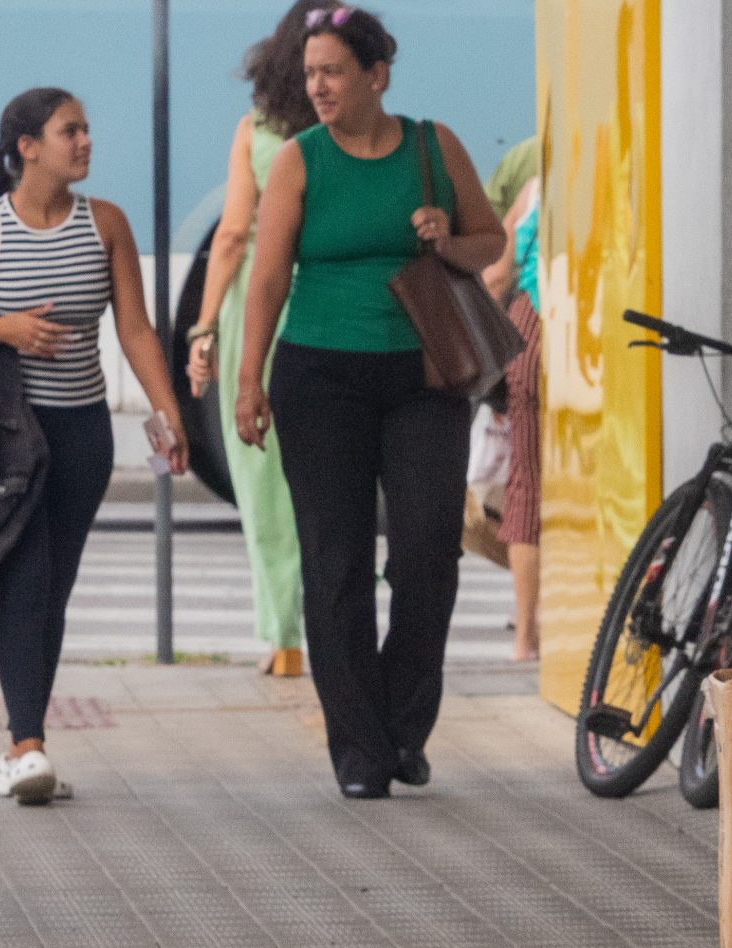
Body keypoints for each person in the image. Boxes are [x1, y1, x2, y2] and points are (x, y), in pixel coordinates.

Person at [235, 4, 505, 798]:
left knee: (428, 555)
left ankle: (403, 726)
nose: (316, 86)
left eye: (332, 72)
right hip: (319, 377)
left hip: (424, 375)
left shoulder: (432, 145)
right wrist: (249, 380)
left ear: (376, 75)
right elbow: (269, 277)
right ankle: (361, 751)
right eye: (309, 73)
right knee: (336, 562)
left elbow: (489, 238)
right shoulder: (298, 160)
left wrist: (446, 238)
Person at [0, 88, 190, 805]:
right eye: (69, 130)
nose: (86, 142)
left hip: (83, 435)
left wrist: (169, 414)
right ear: (27, 146)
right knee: (27, 579)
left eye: (86, 129)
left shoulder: (104, 223)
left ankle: (25, 737)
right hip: (8, 441)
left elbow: (136, 329)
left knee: (55, 588)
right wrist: (0, 330)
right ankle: (26, 744)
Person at [189, 0, 320, 681]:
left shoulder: (259, 131)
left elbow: (233, 237)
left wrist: (206, 327)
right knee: (329, 473)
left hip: (263, 313)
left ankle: (285, 637)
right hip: (329, 304)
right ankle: (331, 622)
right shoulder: (348, 128)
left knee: (264, 479)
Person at [479, 136, 543, 663]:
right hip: (591, 341)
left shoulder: (536, 186)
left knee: (526, 483)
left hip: (532, 334)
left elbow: (498, 272)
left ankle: (526, 636)